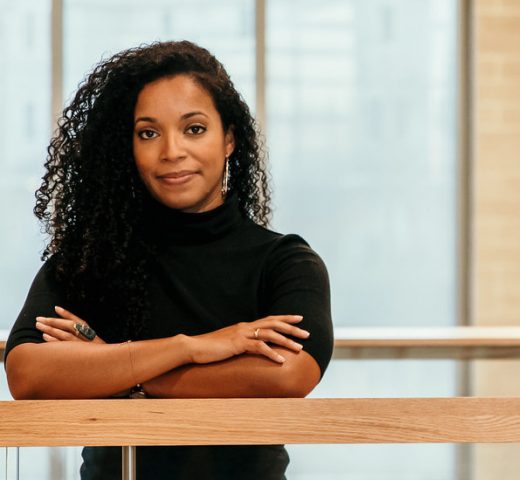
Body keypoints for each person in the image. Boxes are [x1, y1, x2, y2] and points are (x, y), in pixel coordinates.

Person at [4, 40, 333, 479]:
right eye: (148, 133)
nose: (171, 151)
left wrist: (120, 372)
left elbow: (288, 375)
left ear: (230, 138)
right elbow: (27, 373)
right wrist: (192, 347)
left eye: (194, 129)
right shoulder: (93, 258)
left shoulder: (284, 261)